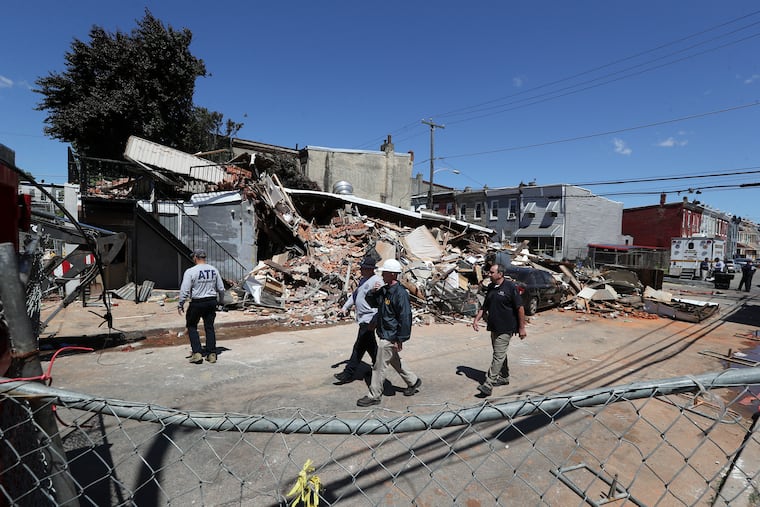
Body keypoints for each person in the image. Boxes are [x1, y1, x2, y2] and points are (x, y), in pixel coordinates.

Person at [356, 259, 422, 407]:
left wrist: (400, 338)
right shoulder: (385, 290)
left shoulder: (400, 294)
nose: (382, 275)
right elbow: (374, 303)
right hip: (384, 331)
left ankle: (374, 395)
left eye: (384, 272)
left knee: (379, 366)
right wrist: (374, 292)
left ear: (392, 274)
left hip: (390, 335)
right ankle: (413, 381)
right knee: (394, 360)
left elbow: (405, 318)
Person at [471, 263, 527, 397]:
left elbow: (520, 308)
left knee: (498, 355)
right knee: (499, 353)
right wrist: (476, 319)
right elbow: (485, 306)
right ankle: (504, 377)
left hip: (506, 327)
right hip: (494, 327)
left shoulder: (510, 287)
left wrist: (522, 328)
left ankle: (488, 384)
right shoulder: (491, 287)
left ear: (500, 274)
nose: (488, 274)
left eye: (491, 272)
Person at [334, 257, 382, 384]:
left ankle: (348, 373)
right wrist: (345, 307)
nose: (361, 270)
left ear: (370, 269)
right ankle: (379, 368)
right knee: (371, 347)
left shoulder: (377, 281)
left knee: (359, 347)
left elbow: (381, 303)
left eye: (363, 268)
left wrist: (375, 320)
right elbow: (355, 296)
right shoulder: (363, 280)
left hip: (369, 319)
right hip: (362, 319)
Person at [178, 248, 225, 364]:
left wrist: (181, 304)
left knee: (192, 325)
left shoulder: (190, 271)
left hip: (198, 302)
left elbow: (185, 290)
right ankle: (212, 353)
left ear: (195, 257)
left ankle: (197, 353)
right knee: (209, 327)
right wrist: (221, 301)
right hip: (211, 301)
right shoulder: (213, 270)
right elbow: (221, 288)